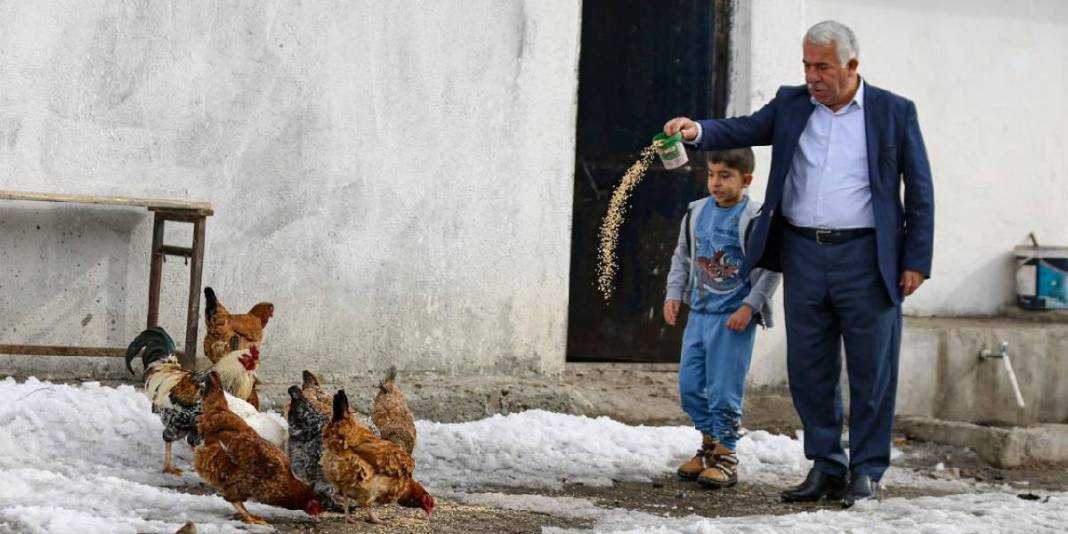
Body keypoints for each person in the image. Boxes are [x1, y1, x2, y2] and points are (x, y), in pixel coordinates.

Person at [662, 20, 934, 507]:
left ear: (852, 66)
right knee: (809, 368)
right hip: (804, 253)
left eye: (823, 66)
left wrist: (916, 258)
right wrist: (698, 130)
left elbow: (920, 190)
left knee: (873, 370)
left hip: (868, 256)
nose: (813, 75)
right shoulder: (792, 104)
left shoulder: (893, 112)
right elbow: (745, 128)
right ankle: (826, 465)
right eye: (807, 65)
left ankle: (866, 470)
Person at [664, 148, 781, 488]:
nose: (716, 182)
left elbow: (772, 268)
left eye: (725, 176)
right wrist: (674, 294)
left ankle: (726, 454)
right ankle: (707, 446)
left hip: (733, 320)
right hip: (699, 314)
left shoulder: (756, 218)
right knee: (690, 386)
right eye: (712, 174)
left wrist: (751, 306)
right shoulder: (696, 212)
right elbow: (682, 257)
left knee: (723, 390)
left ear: (746, 180)